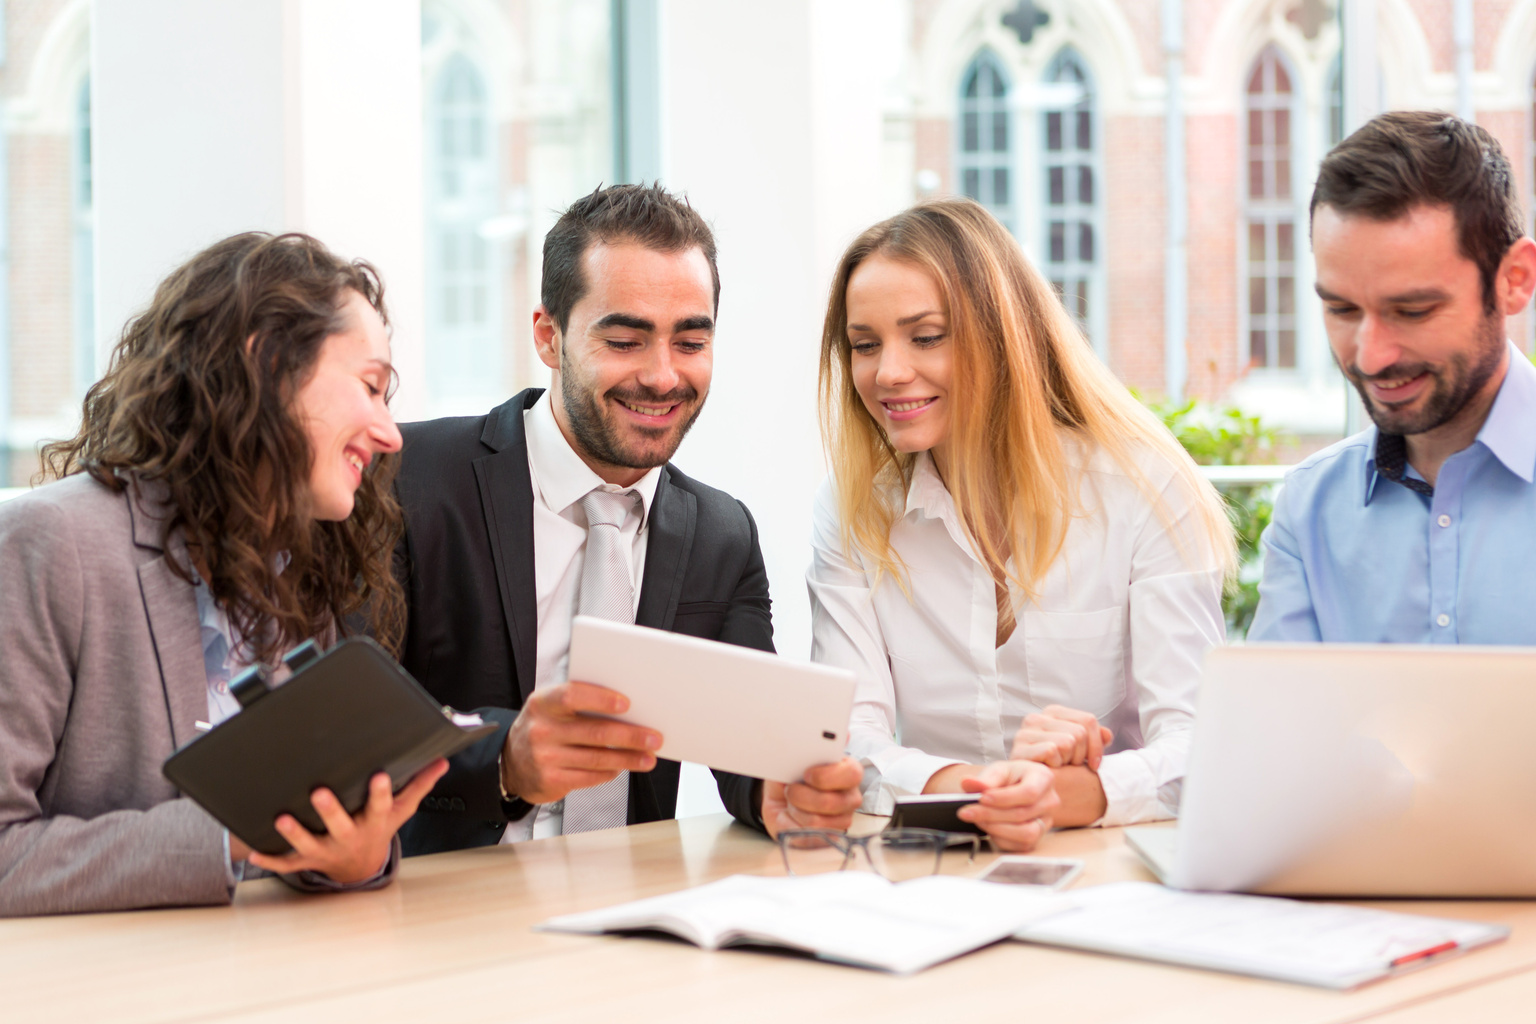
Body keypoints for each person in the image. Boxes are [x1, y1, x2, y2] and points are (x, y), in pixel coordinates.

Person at [394, 183, 863, 855]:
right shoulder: (411, 481)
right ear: (549, 337)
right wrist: (503, 761)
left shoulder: (721, 534)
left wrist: (777, 793)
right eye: (624, 340)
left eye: (690, 342)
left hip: (629, 910)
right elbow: (348, 723)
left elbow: (745, 739)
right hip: (439, 907)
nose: (663, 376)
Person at [0, 232, 446, 916]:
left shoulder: (299, 567)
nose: (391, 433)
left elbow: (299, 838)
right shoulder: (54, 543)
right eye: (371, 386)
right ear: (267, 361)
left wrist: (352, 856)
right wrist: (236, 834)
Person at [808, 197, 1234, 851]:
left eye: (926, 337)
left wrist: (1069, 795)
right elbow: (844, 743)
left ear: (1002, 335)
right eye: (865, 345)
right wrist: (985, 787)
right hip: (935, 869)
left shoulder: (1143, 490)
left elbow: (1204, 747)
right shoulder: (855, 507)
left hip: (1114, 869)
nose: (888, 372)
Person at [1249, 113, 1536, 643]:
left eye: (1413, 310)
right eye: (1342, 310)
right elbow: (1280, 723)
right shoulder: (1310, 509)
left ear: (1513, 280)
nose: (1372, 357)